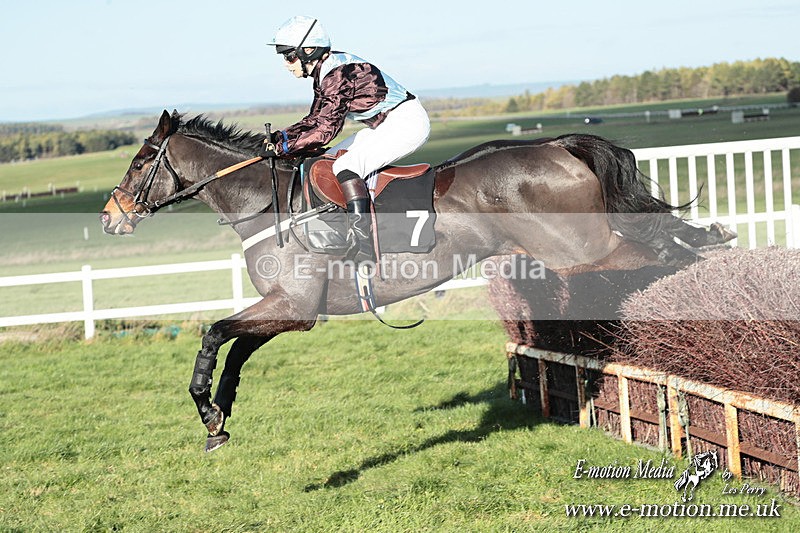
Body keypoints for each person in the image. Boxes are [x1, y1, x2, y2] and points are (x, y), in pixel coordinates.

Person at [266, 15, 430, 266]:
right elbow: (314, 118)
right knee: (326, 160)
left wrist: (283, 148)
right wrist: (281, 137)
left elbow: (325, 130)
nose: (287, 64)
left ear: (308, 50)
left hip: (407, 123)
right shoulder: (326, 71)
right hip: (386, 122)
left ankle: (362, 244)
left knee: (344, 166)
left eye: (289, 56)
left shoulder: (336, 76)